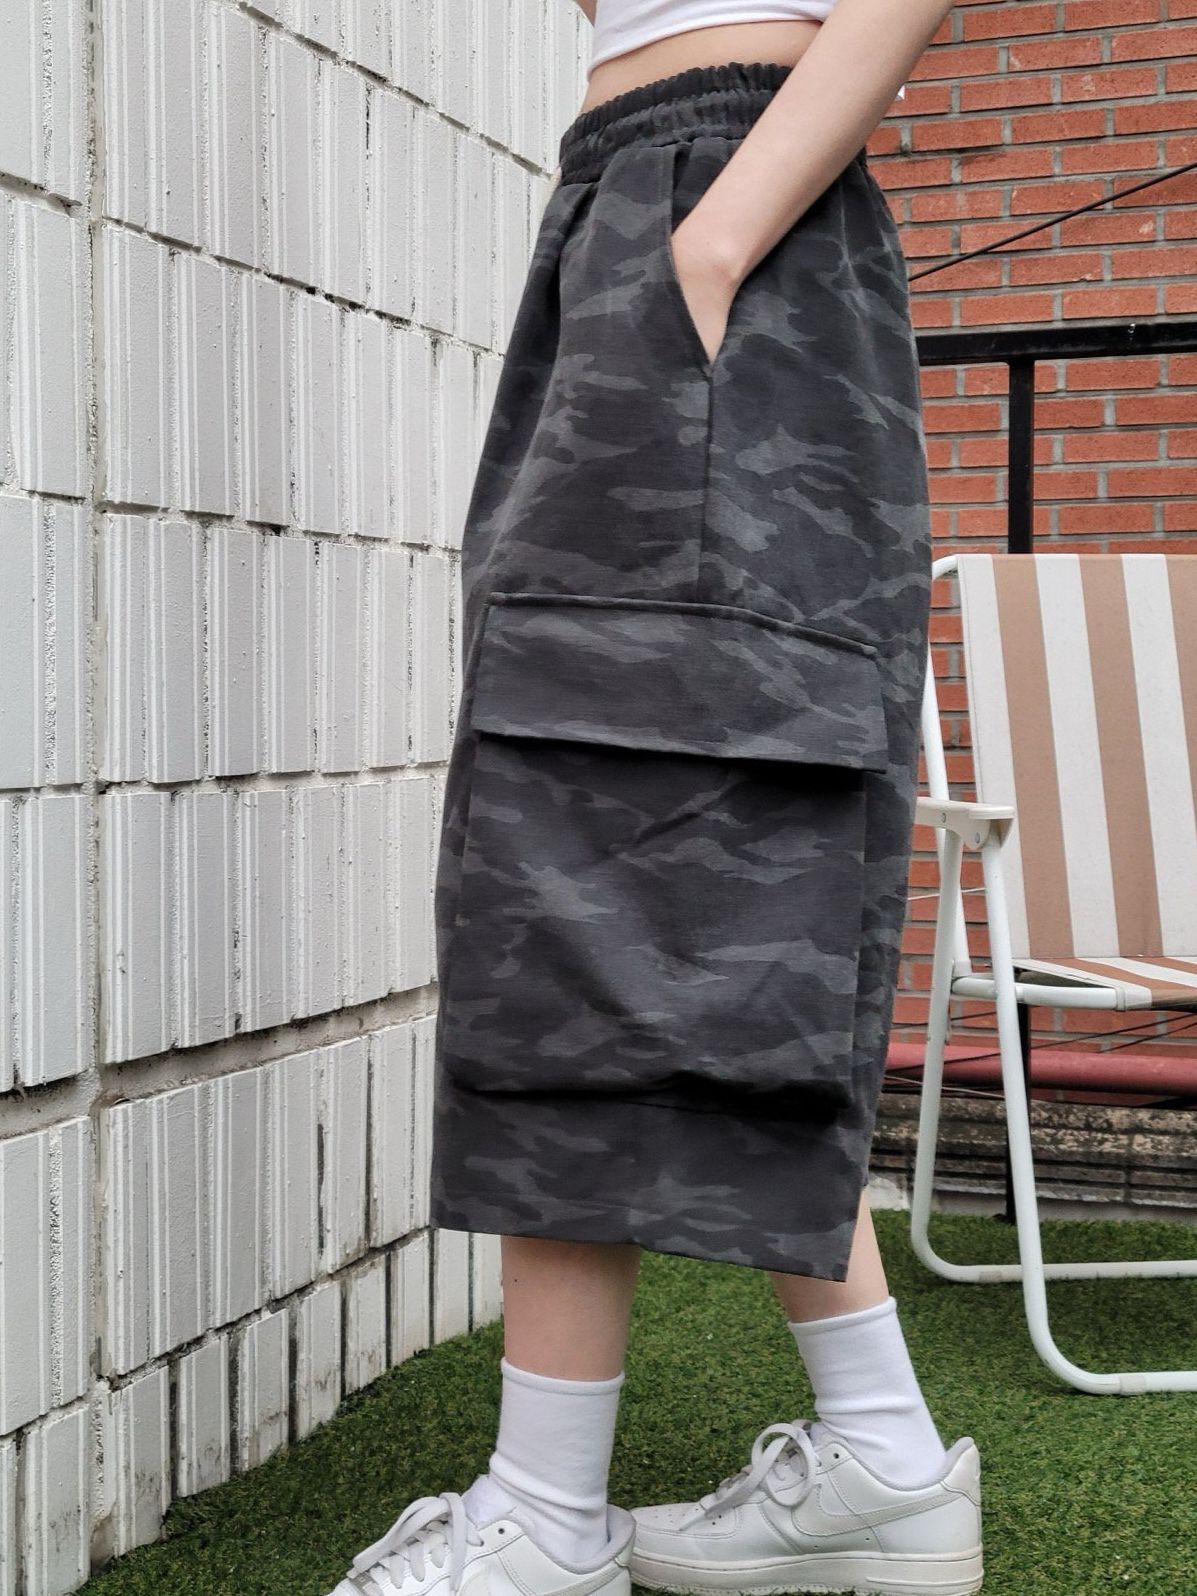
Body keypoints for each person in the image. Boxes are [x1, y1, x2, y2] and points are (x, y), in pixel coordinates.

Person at [328, 3, 983, 1594]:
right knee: (661, 837)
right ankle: (877, 1455)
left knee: (587, 839)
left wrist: (717, 231)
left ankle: (546, 1518)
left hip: (709, 194)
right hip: (647, 198)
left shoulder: (714, 207)